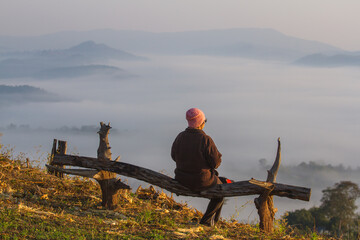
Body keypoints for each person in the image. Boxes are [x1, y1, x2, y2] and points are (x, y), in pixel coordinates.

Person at [171, 108, 230, 227]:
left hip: (181, 179)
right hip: (202, 181)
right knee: (222, 192)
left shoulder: (180, 137)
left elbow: (173, 156)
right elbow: (215, 163)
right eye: (204, 121)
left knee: (222, 181)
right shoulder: (205, 139)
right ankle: (207, 221)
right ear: (200, 123)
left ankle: (214, 222)